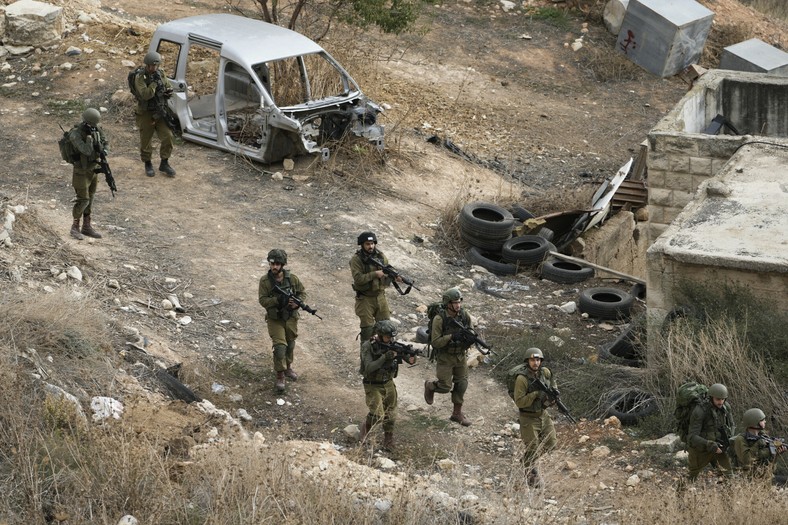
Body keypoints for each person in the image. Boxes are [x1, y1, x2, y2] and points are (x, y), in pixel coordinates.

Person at [359, 320, 416, 450]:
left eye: (392, 337)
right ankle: (365, 428)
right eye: (387, 337)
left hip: (388, 382)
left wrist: (411, 356)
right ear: (379, 335)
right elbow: (368, 368)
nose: (390, 339)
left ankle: (388, 439)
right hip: (373, 384)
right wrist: (385, 357)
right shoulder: (368, 346)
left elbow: (409, 359)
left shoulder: (392, 345)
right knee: (378, 415)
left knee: (391, 413)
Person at [423, 287, 475, 427]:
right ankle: (430, 385)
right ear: (448, 303)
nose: (458, 305)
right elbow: (436, 342)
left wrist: (469, 338)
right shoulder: (440, 319)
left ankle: (456, 413)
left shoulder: (464, 315)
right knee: (445, 386)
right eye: (455, 302)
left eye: (459, 302)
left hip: (460, 356)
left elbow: (471, 330)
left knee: (462, 384)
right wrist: (452, 336)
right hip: (445, 357)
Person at [258, 249, 305, 392]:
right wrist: (277, 299)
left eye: (278, 264)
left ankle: (288, 368)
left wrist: (298, 303)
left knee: (290, 344)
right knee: (280, 347)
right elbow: (263, 300)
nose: (274, 267)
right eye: (272, 263)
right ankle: (280, 374)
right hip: (275, 319)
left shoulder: (292, 279)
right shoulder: (265, 281)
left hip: (290, 317)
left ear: (283, 265)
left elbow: (302, 293)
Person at [513, 347, 558, 488]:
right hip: (528, 418)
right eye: (532, 360)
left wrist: (553, 395)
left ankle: (527, 461)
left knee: (551, 443)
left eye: (538, 359)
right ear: (527, 361)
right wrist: (536, 394)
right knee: (532, 447)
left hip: (543, 415)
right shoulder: (522, 379)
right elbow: (519, 401)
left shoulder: (545, 373)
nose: (535, 363)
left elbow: (553, 385)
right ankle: (530, 472)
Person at [349, 231, 402, 344]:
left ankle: (384, 355)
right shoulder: (357, 259)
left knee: (386, 329)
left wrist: (394, 276)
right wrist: (374, 274)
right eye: (367, 244)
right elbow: (358, 278)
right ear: (362, 245)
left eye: (372, 243)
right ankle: (367, 359)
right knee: (368, 332)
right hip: (365, 298)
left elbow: (388, 269)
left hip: (380, 296)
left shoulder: (380, 256)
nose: (371, 246)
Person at [133, 50, 176, 178]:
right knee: (146, 140)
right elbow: (146, 95)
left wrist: (168, 92)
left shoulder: (160, 73)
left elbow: (167, 86)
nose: (153, 68)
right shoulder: (140, 77)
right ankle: (148, 163)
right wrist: (153, 84)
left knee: (168, 136)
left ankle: (164, 162)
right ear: (146, 65)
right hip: (146, 112)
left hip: (160, 111)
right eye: (151, 66)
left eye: (156, 65)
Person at [68, 108, 109, 240]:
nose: (94, 127)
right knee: (83, 199)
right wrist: (91, 140)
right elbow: (85, 150)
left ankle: (86, 226)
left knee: (90, 198)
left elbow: (105, 142)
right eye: (92, 124)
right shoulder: (75, 134)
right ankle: (75, 227)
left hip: (93, 168)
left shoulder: (96, 129)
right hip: (81, 171)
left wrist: (104, 151)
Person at [686, 382, 734, 481]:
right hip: (701, 449)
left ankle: (729, 496)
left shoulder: (726, 408)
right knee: (691, 476)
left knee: (729, 476)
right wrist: (709, 444)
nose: (721, 402)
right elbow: (692, 437)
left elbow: (732, 425)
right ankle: (679, 496)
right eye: (718, 399)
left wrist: (728, 439)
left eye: (723, 399)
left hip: (719, 447)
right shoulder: (700, 411)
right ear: (711, 397)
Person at [731, 407, 786, 478]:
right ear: (755, 423)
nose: (765, 421)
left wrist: (776, 453)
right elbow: (747, 460)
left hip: (764, 476)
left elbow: (769, 462)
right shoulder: (741, 439)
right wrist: (759, 444)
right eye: (762, 420)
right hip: (748, 478)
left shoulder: (763, 436)